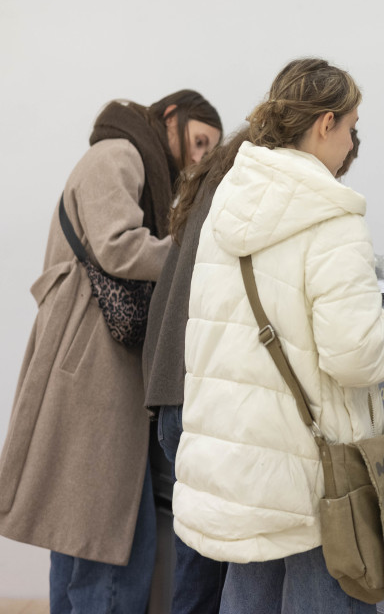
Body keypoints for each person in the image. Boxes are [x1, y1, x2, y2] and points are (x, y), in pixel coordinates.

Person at [172, 58, 384, 614]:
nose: (352, 143)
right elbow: (354, 354)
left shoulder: (226, 207)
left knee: (247, 598)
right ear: (325, 123)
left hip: (237, 466)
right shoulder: (333, 218)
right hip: (314, 479)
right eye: (351, 126)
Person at [0, 91, 222, 613]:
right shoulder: (118, 153)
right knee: (111, 542)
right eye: (198, 142)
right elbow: (118, 245)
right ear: (171, 117)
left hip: (87, 364)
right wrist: (195, 251)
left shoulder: (129, 160)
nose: (198, 158)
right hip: (90, 366)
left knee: (78, 537)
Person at [143, 123, 361, 614]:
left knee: (207, 568)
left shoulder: (228, 185)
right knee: (223, 575)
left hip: (180, 393)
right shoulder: (269, 199)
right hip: (214, 407)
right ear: (321, 133)